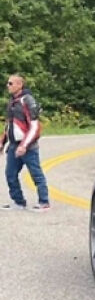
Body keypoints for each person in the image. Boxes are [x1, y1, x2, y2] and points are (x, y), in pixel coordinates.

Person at [0, 74, 50, 211]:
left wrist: (24, 145)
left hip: (28, 147)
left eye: (10, 83)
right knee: (10, 174)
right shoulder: (12, 101)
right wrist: (2, 142)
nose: (7, 86)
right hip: (13, 146)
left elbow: (34, 126)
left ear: (19, 85)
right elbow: (9, 125)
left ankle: (44, 202)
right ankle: (18, 202)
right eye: (8, 83)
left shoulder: (27, 100)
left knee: (36, 174)